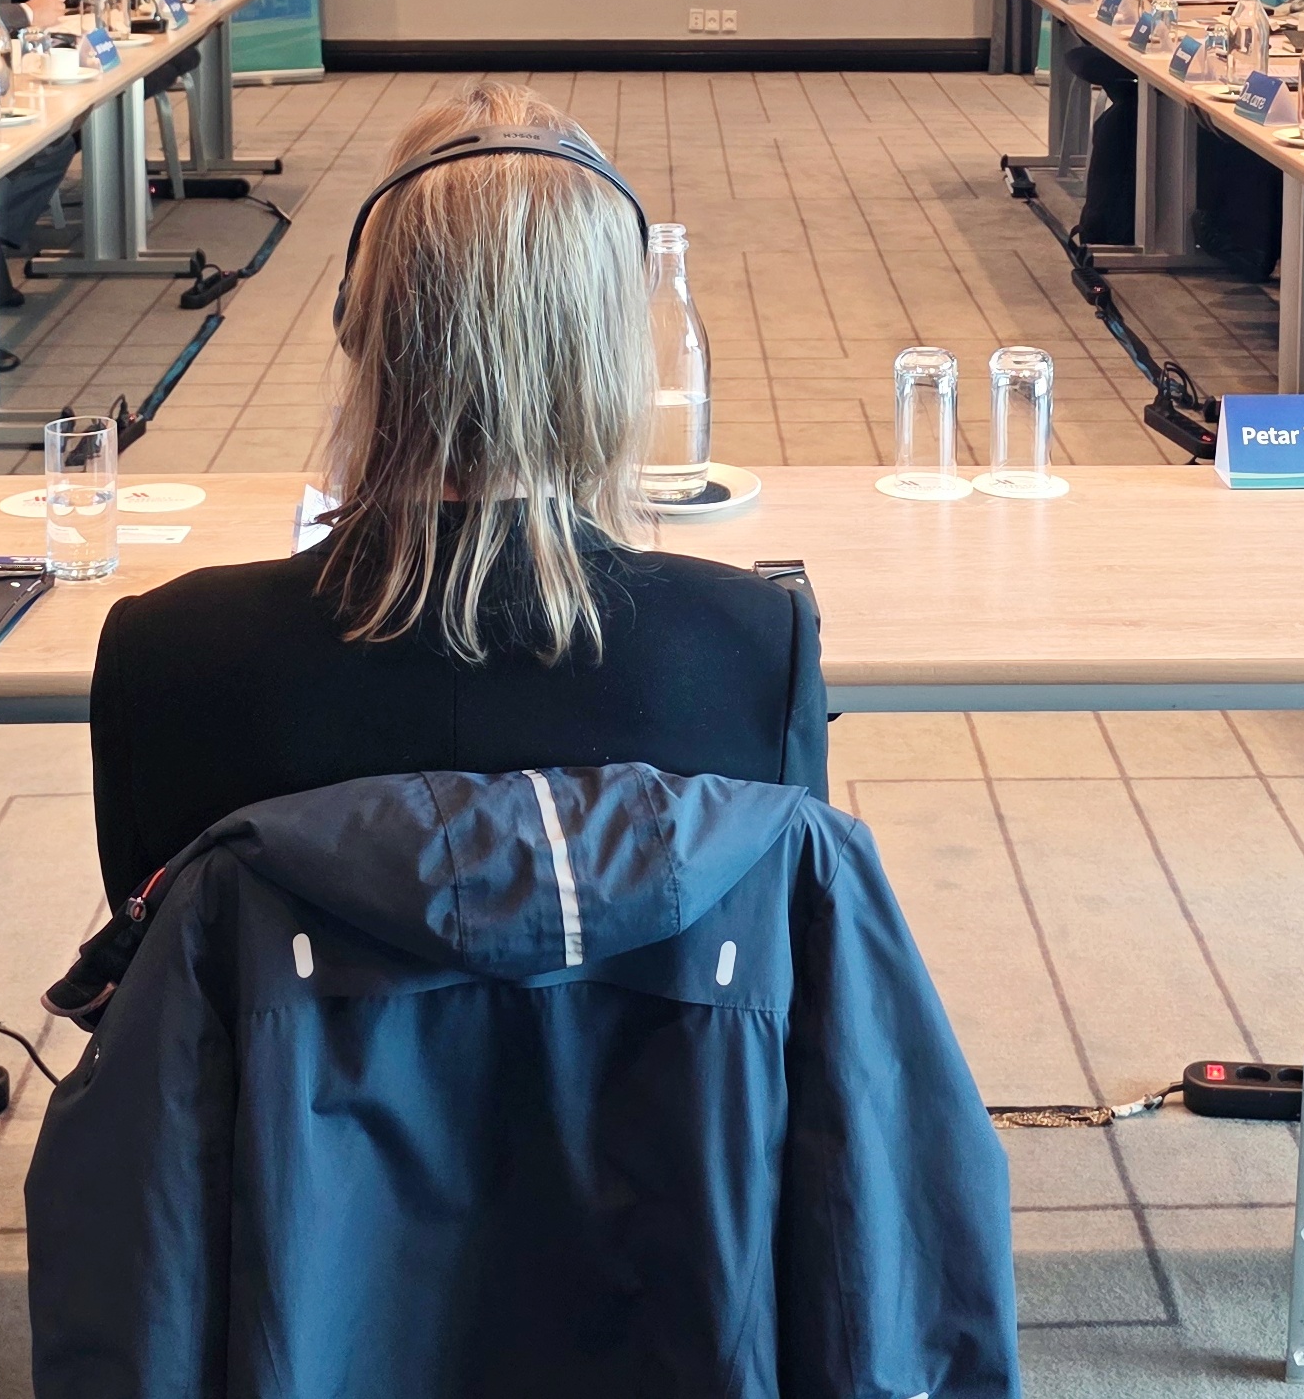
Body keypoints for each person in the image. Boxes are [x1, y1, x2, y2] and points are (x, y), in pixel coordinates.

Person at [82, 83, 827, 912]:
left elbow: (151, 952)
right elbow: (784, 938)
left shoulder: (169, 653)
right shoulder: (756, 644)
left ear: (357, 328)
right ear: (617, 354)